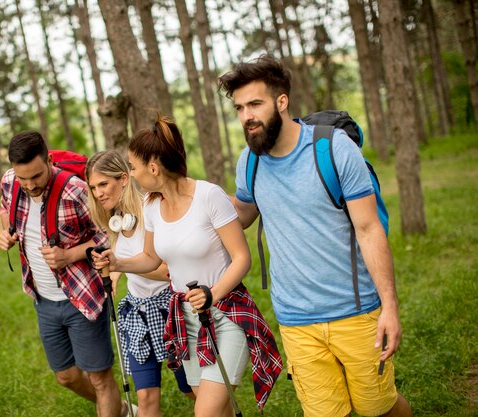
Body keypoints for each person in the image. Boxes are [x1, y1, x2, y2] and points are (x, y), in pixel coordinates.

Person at [218, 56, 413, 417]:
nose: (247, 116)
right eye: (240, 107)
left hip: (355, 311)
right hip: (295, 318)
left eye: (255, 104)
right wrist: (197, 201)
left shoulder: (335, 148)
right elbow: (243, 212)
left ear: (281, 101)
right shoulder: (250, 160)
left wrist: (390, 307)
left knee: (380, 408)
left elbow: (369, 230)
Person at [91, 116, 282, 417]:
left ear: (153, 168)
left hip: (225, 314)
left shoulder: (209, 196)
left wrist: (213, 293)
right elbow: (152, 259)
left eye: (133, 167)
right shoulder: (153, 206)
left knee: (204, 412)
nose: (131, 174)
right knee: (218, 411)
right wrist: (118, 262)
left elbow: (242, 257)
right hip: (185, 321)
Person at [0, 131, 134, 417]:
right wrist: (6, 234)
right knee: (66, 376)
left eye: (36, 176)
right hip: (43, 300)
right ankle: (118, 409)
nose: (30, 185)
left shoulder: (75, 191)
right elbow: (5, 210)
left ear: (49, 160)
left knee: (99, 378)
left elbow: (109, 235)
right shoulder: (10, 182)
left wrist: (69, 255)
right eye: (24, 178)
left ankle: (110, 406)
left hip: (82, 297)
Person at [86, 150, 195, 417]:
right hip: (138, 314)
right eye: (93, 187)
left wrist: (123, 266)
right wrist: (115, 274)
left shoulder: (152, 212)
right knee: (145, 398)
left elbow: (168, 272)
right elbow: (127, 255)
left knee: (192, 389)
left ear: (124, 179)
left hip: (171, 312)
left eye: (103, 184)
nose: (98, 193)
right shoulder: (115, 221)